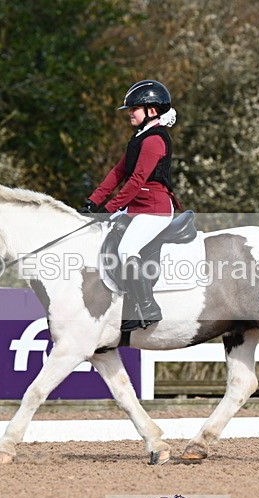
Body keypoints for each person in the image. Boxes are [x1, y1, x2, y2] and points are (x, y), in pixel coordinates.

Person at [78, 80, 181, 332]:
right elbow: (118, 172)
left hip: (155, 209)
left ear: (152, 111)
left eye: (134, 108)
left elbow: (136, 181)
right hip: (136, 206)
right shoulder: (139, 137)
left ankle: (148, 308)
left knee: (127, 249)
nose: (130, 113)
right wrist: (93, 201)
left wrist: (110, 208)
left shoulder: (155, 140)